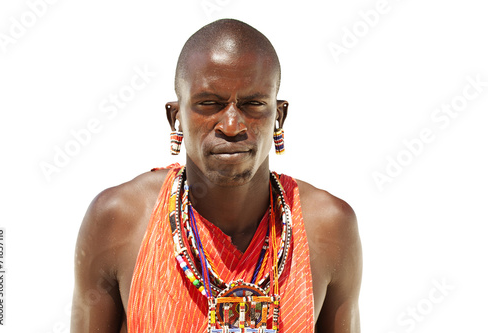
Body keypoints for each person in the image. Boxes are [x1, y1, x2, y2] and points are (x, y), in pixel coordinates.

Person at [71, 18, 362, 333]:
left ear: (278, 117)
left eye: (253, 104)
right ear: (176, 118)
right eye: (209, 104)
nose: (232, 126)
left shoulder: (329, 227)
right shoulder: (118, 220)